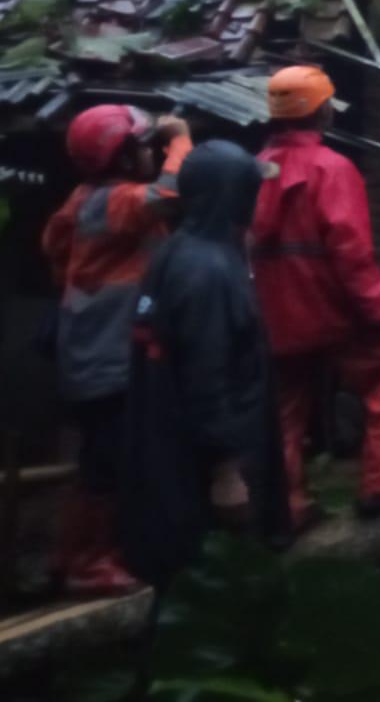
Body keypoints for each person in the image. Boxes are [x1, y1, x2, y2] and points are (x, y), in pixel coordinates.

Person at [119, 140, 291, 588]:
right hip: (203, 471)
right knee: (217, 584)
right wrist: (227, 473)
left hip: (174, 455)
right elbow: (207, 376)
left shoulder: (177, 252)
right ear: (233, 197)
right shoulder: (208, 271)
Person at [250, 65, 380, 529]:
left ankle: (286, 505)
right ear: (323, 111)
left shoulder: (257, 168)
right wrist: (379, 311)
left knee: (284, 408)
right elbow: (351, 253)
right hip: (333, 310)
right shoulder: (332, 169)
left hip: (275, 314)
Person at [42, 104, 191, 594]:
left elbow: (55, 250)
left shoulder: (81, 202)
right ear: (122, 157)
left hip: (91, 353)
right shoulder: (114, 202)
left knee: (98, 463)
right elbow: (169, 193)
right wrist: (181, 140)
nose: (150, 152)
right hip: (107, 358)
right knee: (108, 466)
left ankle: (70, 557)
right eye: (143, 145)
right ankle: (89, 564)